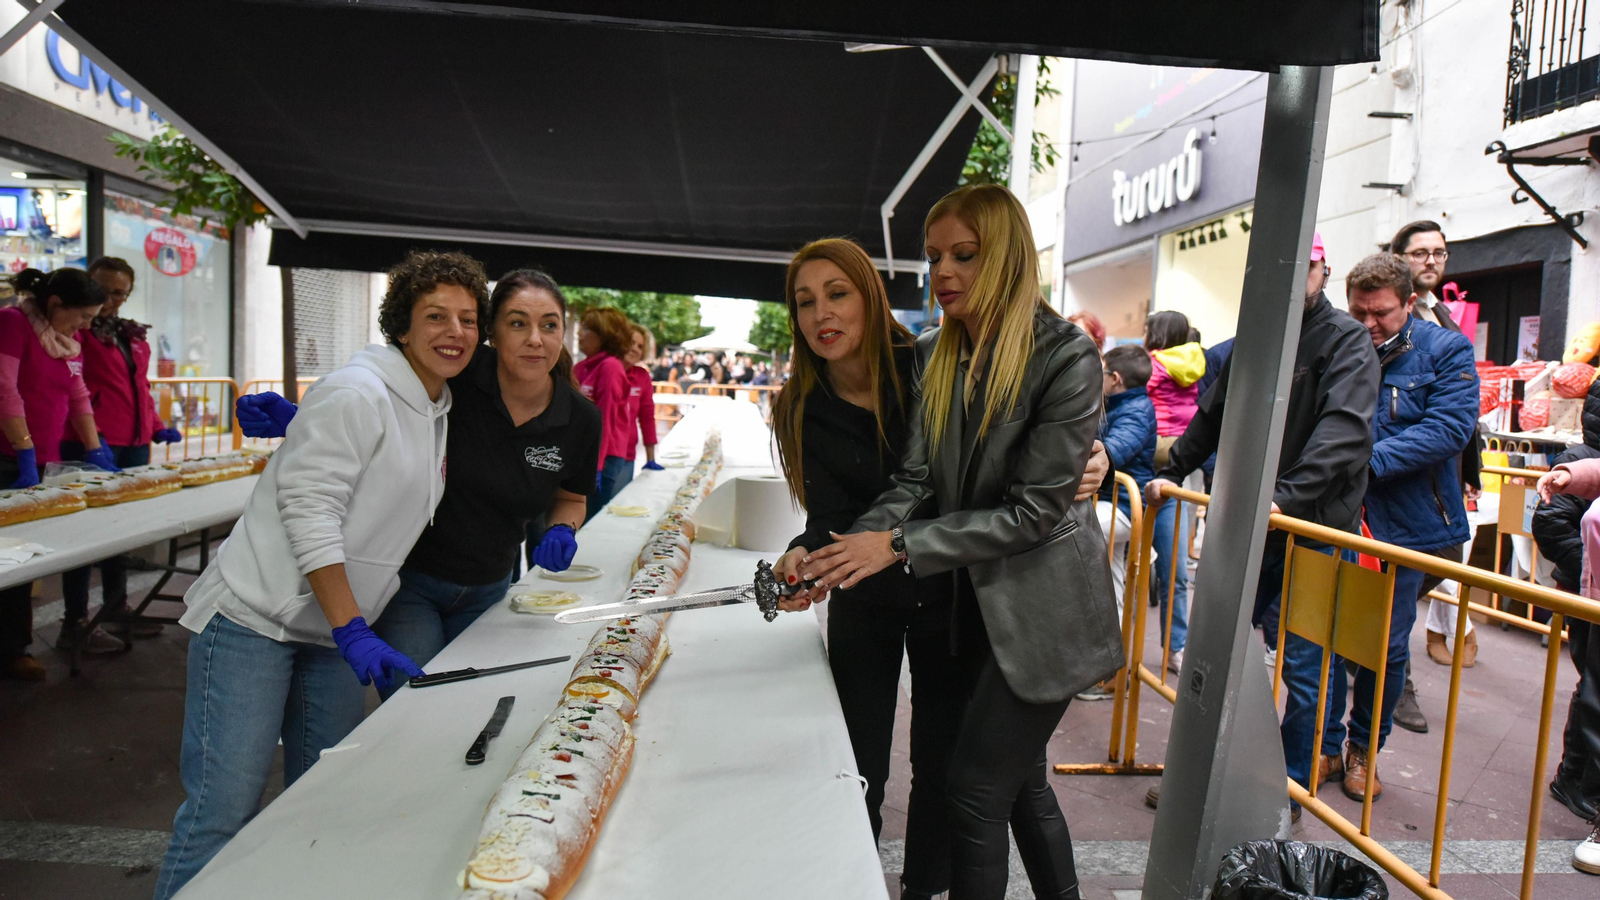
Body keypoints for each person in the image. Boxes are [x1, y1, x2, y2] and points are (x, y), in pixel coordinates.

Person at [796, 184, 1121, 899]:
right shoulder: (937, 352)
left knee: (974, 791)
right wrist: (844, 549)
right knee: (1021, 786)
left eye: (963, 255)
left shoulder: (1066, 357)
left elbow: (1034, 512)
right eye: (935, 255)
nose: (942, 271)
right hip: (978, 605)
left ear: (1005, 254)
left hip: (1045, 616)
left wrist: (898, 546)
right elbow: (913, 479)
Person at [153, 251, 483, 899]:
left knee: (316, 803)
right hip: (256, 620)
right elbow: (310, 509)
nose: (455, 331)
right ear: (402, 326)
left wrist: (347, 628)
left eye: (469, 319)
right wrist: (354, 627)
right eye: (436, 316)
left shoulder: (432, 403)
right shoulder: (360, 390)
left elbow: (364, 475)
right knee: (222, 812)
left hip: (330, 632)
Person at [239, 270, 601, 698]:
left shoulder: (580, 417)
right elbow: (385, 403)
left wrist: (563, 527)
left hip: (491, 585)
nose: (535, 339)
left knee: (469, 701)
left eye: (549, 325)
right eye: (518, 323)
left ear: (564, 334)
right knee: (417, 700)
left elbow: (571, 497)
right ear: (493, 333)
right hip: (412, 581)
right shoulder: (459, 373)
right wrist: (308, 416)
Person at [1145, 235, 1379, 814]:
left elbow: (1344, 434)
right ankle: (1197, 775)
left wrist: (1284, 500)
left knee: (1305, 669)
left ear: (1324, 272)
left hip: (1313, 530)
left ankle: (1286, 794)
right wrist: (1172, 473)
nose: (1295, 276)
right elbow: (1211, 416)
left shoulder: (1347, 340)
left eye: (1309, 267)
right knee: (1214, 651)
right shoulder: (1255, 339)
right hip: (1249, 523)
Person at [769, 238, 963, 900]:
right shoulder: (798, 404)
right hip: (864, 601)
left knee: (940, 763)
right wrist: (803, 553)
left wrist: (1097, 453)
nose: (821, 312)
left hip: (950, 591)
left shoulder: (932, 368)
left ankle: (922, 889)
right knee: (855, 765)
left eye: (837, 292)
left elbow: (989, 474)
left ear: (871, 297)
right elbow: (832, 517)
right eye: (804, 301)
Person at [1316, 252, 1477, 803]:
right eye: (1359, 311)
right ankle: (1327, 743)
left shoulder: (1446, 349)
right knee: (1328, 636)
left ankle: (1365, 749)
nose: (1368, 324)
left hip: (1404, 525)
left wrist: (1361, 463)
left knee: (1382, 646)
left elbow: (1449, 428)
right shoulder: (1341, 344)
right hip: (1337, 518)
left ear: (1409, 302)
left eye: (1380, 313)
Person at [56, 257, 185, 655]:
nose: (113, 300)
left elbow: (138, 388)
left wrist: (156, 423)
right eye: (106, 291)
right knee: (82, 536)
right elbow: (73, 389)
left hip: (131, 443)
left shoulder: (130, 335)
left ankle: (115, 607)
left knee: (121, 530)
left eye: (120, 293)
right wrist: (93, 443)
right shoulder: (76, 330)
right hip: (89, 442)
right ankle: (75, 621)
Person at [1389, 220, 1480, 738]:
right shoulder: (1381, 321)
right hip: (1395, 470)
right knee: (1399, 578)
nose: (1431, 261)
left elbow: (1461, 413)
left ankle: (1377, 653)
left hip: (1437, 475)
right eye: (1419, 252)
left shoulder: (1444, 319)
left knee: (1443, 561)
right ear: (1397, 257)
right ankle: (1395, 680)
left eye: (1439, 252)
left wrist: (1472, 474)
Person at [0, 268, 111, 681]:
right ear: (55, 304)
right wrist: (24, 451)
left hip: (40, 458)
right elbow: (4, 390)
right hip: (9, 456)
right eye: (82, 316)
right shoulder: (13, 324)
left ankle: (15, 649)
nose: (86, 326)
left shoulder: (70, 341)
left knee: (19, 558)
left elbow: (78, 394)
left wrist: (95, 447)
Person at [1532, 376, 1600, 823]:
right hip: (1586, 595)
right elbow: (1551, 528)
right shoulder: (1579, 459)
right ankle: (1573, 779)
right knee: (1592, 687)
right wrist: (1590, 574)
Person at [1143, 310, 1204, 669]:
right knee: (1175, 575)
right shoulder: (1197, 364)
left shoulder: (1149, 365)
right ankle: (1174, 649)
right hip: (1175, 473)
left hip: (1151, 475)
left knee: (1144, 571)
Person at [574, 306, 635, 519]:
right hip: (585, 455)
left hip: (604, 457)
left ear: (605, 334)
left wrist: (596, 465)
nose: (579, 333)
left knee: (590, 523)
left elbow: (605, 418)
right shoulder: (582, 367)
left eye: (587, 328)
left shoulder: (610, 367)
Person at [622, 322, 663, 473]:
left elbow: (647, 417)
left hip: (627, 454)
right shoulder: (603, 370)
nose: (635, 349)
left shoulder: (641, 376)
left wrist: (651, 459)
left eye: (640, 346)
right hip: (596, 455)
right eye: (631, 342)